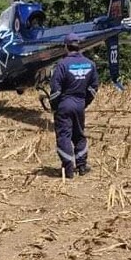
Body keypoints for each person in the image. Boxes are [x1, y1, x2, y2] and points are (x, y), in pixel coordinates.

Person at [49, 33, 99, 179]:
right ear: (79, 46)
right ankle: (82, 166)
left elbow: (55, 90)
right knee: (79, 135)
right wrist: (84, 102)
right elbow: (93, 87)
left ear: (66, 47)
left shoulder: (62, 65)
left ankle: (68, 169)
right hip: (79, 104)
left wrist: (55, 106)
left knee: (64, 136)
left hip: (64, 104)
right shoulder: (90, 64)